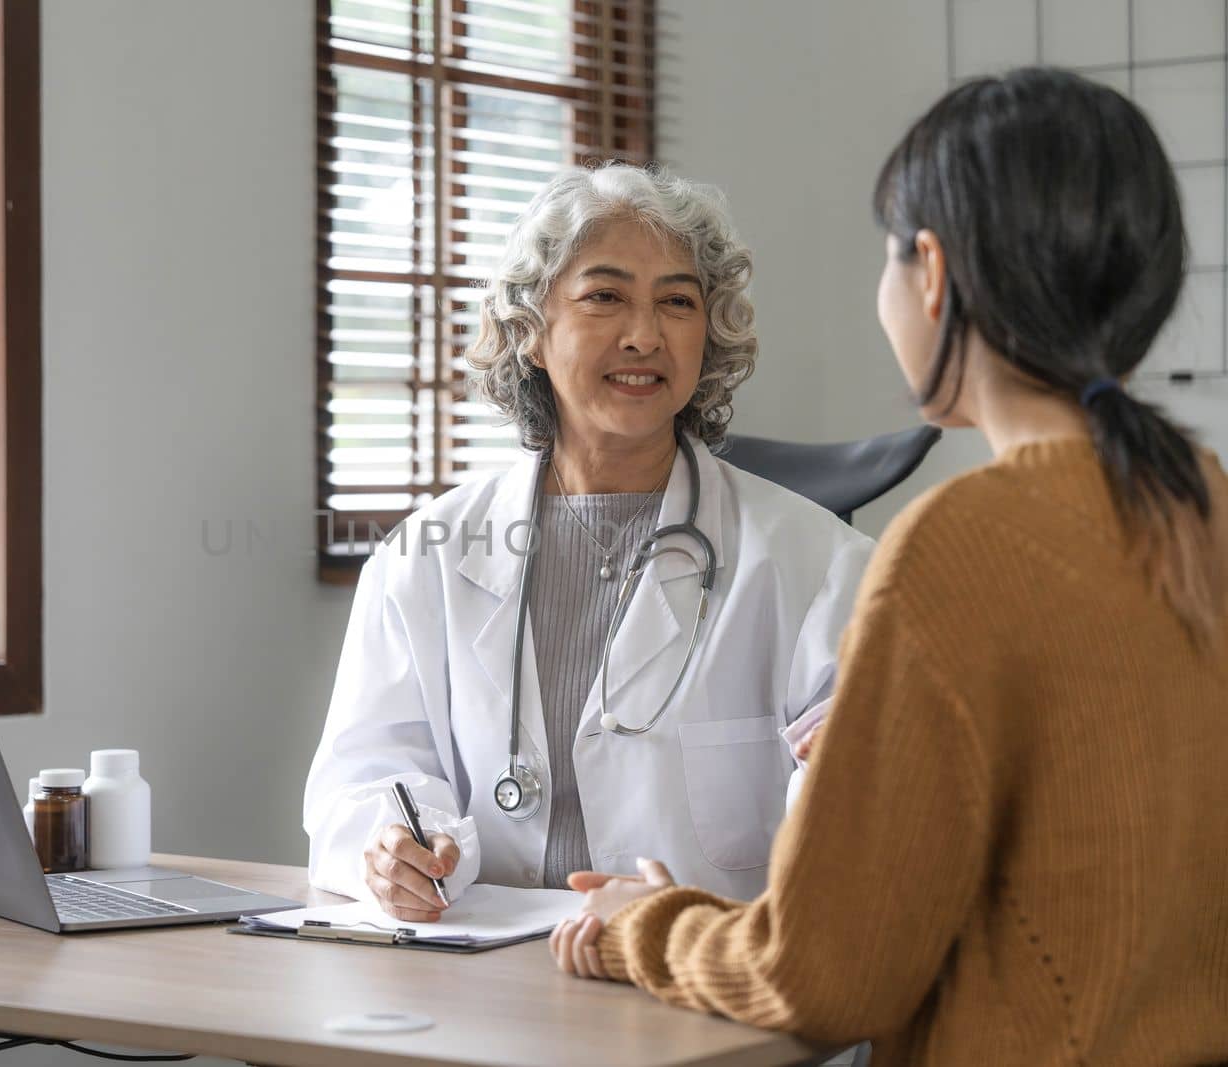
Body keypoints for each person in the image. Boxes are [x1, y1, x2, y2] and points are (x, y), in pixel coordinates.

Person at [549, 69, 1228, 1066]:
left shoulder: (962, 542)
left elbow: (821, 974)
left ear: (934, 272)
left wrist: (643, 921)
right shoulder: (1197, 502)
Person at [303, 163, 874, 925]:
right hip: (486, 989)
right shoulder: (426, 555)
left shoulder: (818, 561)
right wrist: (395, 844)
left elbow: (863, 800)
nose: (645, 335)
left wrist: (849, 770)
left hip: (699, 988)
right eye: (605, 297)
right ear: (531, 332)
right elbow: (363, 774)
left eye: (677, 301)